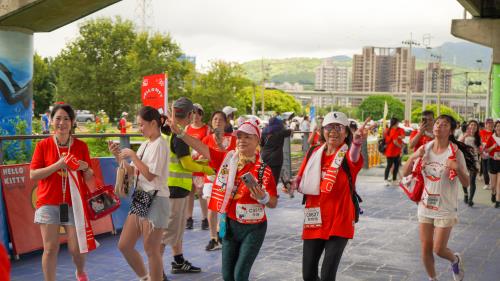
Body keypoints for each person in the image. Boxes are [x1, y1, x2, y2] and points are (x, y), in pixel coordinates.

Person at [168, 114, 278, 281]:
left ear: (257, 141)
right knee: (227, 276)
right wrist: (181, 134)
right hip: (230, 225)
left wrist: (263, 198)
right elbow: (202, 148)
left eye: (247, 137)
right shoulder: (228, 159)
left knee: (240, 275)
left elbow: (273, 202)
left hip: (254, 228)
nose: (241, 140)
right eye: (239, 136)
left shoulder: (264, 170)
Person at [292, 112, 369, 281]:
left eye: (338, 127)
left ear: (346, 132)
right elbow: (299, 179)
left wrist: (357, 143)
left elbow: (354, 155)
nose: (333, 131)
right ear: (322, 130)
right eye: (329, 127)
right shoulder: (313, 152)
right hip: (314, 218)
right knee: (308, 275)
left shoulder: (347, 156)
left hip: (339, 219)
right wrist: (292, 185)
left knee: (327, 275)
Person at [402, 115, 477, 281]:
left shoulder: (455, 153)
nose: (438, 126)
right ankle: (433, 278)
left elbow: (466, 183)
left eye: (444, 125)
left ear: (450, 131)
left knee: (438, 249)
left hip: (445, 208)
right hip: (425, 205)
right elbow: (404, 173)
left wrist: (457, 168)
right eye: (437, 123)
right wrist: (414, 157)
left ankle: (455, 260)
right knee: (425, 248)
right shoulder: (425, 149)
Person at [30, 103, 96, 281]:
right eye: (58, 118)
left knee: (76, 247)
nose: (62, 122)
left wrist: (85, 168)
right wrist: (58, 164)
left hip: (73, 204)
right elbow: (33, 174)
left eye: (66, 118)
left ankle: (80, 272)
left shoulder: (81, 146)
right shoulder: (43, 145)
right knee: (50, 248)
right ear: (51, 121)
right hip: (47, 202)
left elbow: (89, 175)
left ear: (72, 122)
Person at [107, 106, 169, 281]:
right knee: (125, 245)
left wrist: (133, 156)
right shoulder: (146, 144)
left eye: (141, 125)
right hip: (142, 197)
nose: (139, 128)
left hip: (156, 198)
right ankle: (145, 277)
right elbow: (132, 171)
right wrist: (118, 156)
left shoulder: (160, 144)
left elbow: (150, 175)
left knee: (151, 250)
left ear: (154, 123)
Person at [160, 97, 212, 278]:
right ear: (190, 114)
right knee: (166, 233)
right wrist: (205, 167)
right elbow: (187, 163)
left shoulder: (166, 129)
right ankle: (155, 270)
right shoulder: (179, 135)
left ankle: (178, 261)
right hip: (174, 189)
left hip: (172, 188)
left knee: (176, 229)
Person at [202, 111, 237, 251]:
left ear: (226, 122)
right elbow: (197, 157)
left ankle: (221, 233)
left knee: (224, 209)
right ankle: (213, 238)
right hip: (210, 178)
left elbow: (235, 158)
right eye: (215, 119)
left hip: (225, 179)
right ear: (211, 122)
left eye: (221, 119)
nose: (217, 121)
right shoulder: (206, 140)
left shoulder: (233, 140)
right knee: (211, 207)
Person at [185, 103, 210, 230]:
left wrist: (201, 155)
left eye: (198, 113)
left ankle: (205, 218)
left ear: (201, 115)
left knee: (200, 192)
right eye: (192, 113)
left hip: (200, 165)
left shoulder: (206, 129)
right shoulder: (187, 128)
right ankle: (188, 218)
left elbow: (208, 145)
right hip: (188, 164)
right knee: (189, 192)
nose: (195, 116)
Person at [260, 116, 292, 185]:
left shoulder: (264, 131)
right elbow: (290, 131)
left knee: (265, 177)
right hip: (276, 159)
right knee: (274, 179)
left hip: (265, 157)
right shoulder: (281, 132)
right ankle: (273, 194)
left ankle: (266, 192)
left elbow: (261, 144)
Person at [458, 120, 481, 206]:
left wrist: (482, 150)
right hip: (464, 160)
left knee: (472, 180)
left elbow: (479, 150)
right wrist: (465, 136)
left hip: (474, 161)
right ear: (469, 126)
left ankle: (470, 199)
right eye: (471, 125)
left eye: (475, 125)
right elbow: (458, 144)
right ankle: (465, 194)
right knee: (464, 179)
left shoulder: (478, 137)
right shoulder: (464, 134)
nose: (473, 126)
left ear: (477, 128)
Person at [384, 117, 405, 186]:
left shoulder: (388, 130)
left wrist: (398, 137)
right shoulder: (394, 130)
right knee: (395, 166)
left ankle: (387, 180)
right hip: (394, 151)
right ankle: (393, 180)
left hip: (390, 151)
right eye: (398, 122)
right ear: (396, 123)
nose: (398, 123)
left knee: (389, 166)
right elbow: (395, 142)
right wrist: (401, 146)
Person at [484, 120, 500, 208]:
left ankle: (498, 201)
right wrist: (493, 147)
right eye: (497, 126)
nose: (499, 128)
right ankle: (493, 193)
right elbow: (486, 150)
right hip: (493, 162)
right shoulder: (491, 138)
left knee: (499, 183)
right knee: (493, 185)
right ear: (495, 128)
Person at [480, 117, 494, 190]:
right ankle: (487, 183)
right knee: (485, 170)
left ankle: (492, 183)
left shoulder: (495, 132)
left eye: (491, 123)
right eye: (488, 123)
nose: (490, 124)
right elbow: (479, 141)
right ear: (485, 124)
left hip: (492, 154)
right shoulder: (482, 132)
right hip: (483, 154)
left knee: (490, 170)